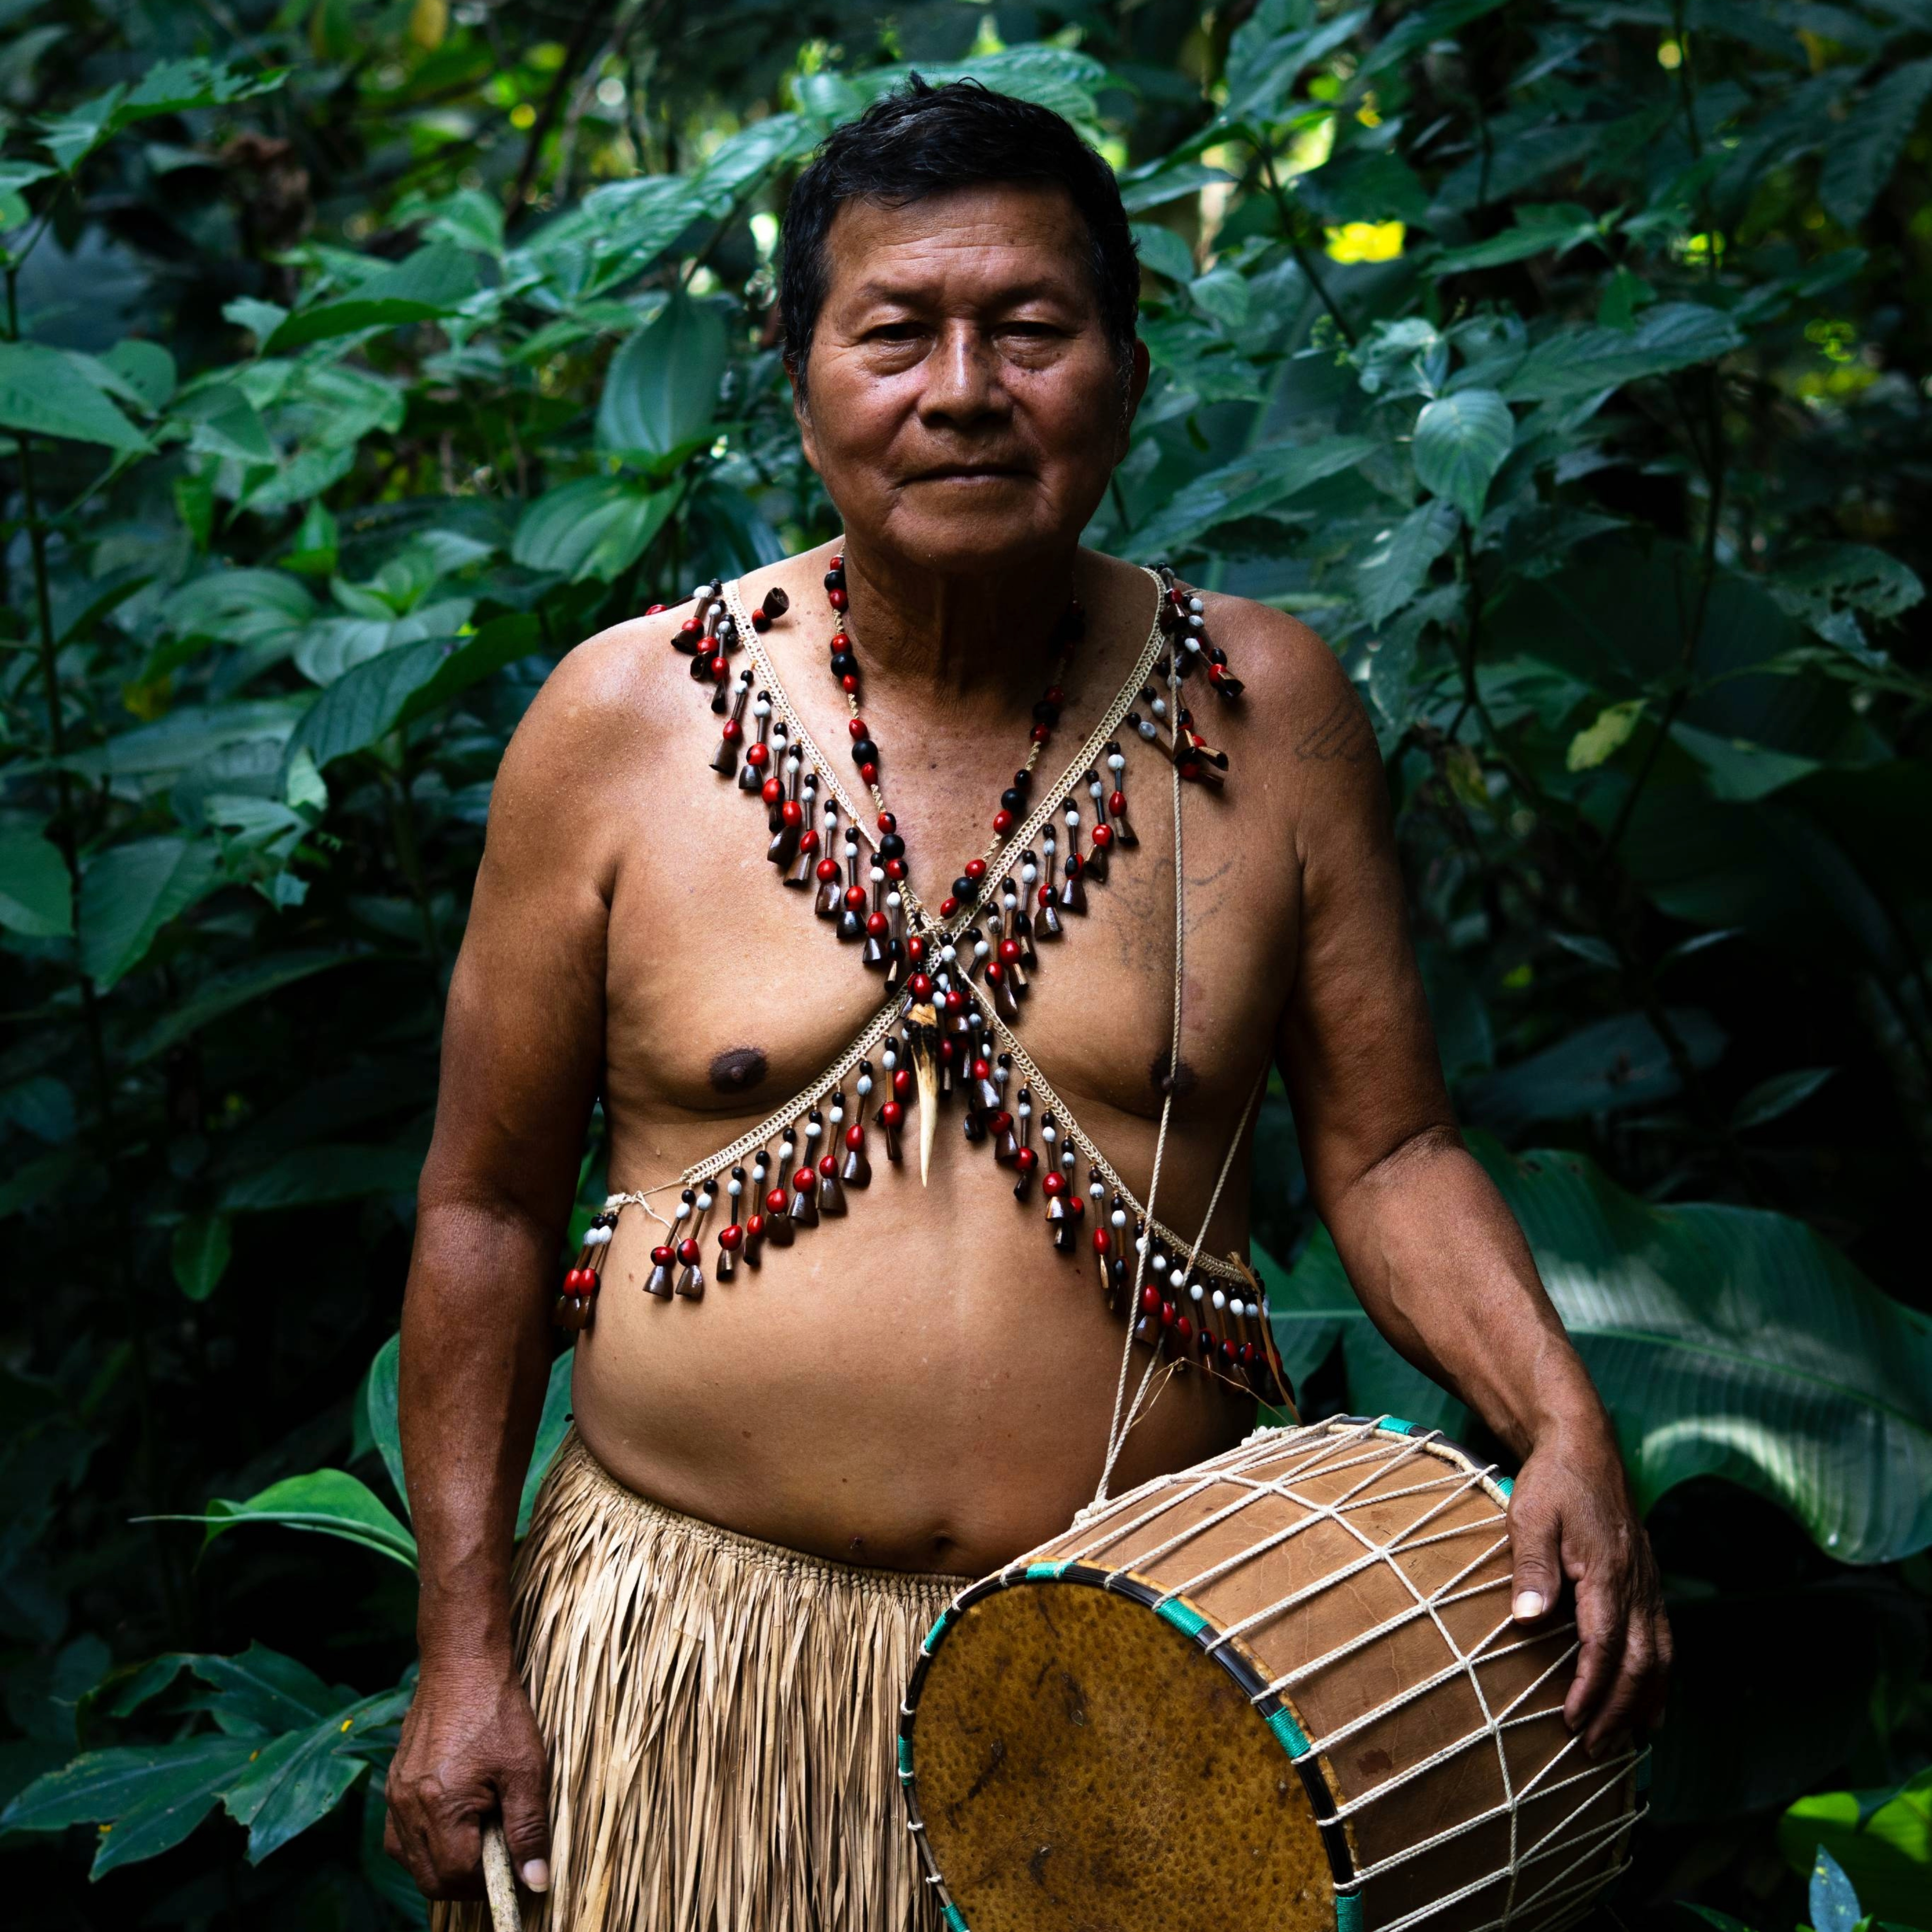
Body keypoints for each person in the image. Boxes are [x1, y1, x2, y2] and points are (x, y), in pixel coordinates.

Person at [383, 76, 1670, 1932]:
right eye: (896, 332)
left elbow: (1390, 1151)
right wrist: (465, 1648)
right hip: (691, 1669)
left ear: (1127, 375)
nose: (965, 389)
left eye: (1032, 330)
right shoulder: (622, 724)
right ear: (804, 376)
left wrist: (1561, 1418)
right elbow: (485, 1211)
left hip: (1148, 1681)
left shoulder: (1269, 709)